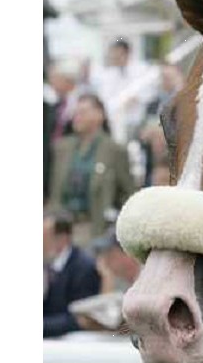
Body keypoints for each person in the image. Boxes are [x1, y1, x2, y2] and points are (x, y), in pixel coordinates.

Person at [48, 93, 135, 245]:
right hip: (62, 230)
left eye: (83, 112)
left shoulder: (114, 150)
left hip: (94, 230)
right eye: (75, 113)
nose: (77, 117)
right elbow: (53, 191)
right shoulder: (62, 148)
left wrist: (114, 231)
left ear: (100, 115)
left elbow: (128, 195)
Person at [91, 39, 161, 145]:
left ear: (127, 53)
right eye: (113, 54)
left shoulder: (143, 69)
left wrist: (138, 98)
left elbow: (153, 93)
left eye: (118, 54)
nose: (115, 58)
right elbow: (104, 98)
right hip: (116, 122)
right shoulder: (108, 74)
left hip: (139, 120)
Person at [43, 210, 100, 338]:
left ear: (62, 238)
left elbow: (80, 319)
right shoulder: (50, 264)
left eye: (44, 236)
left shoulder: (83, 268)